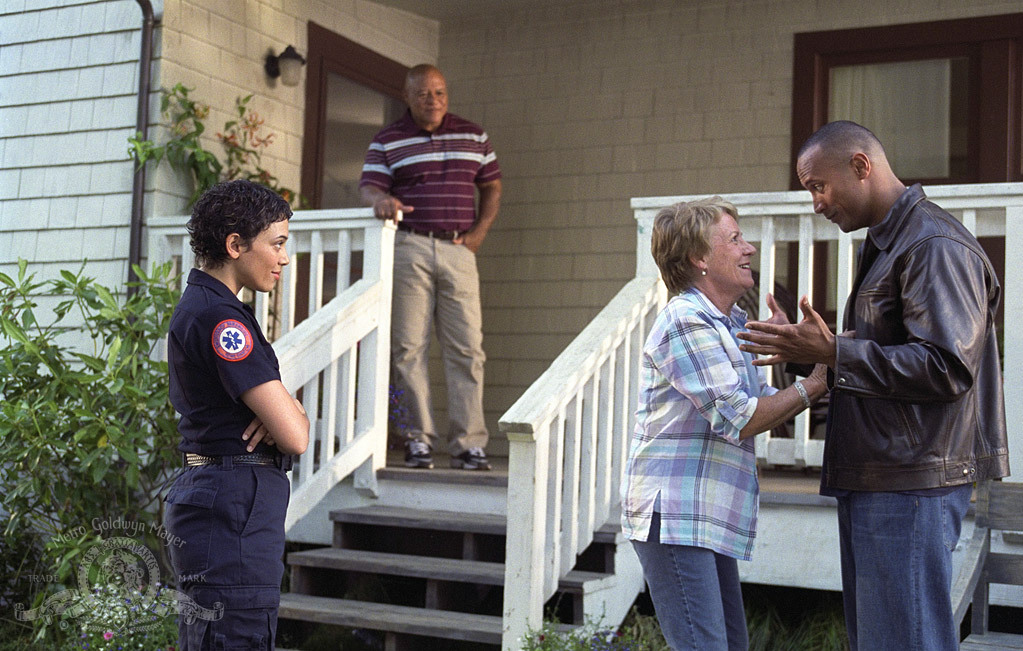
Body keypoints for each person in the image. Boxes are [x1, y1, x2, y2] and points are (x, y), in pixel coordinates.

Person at [737, 120, 1010, 651]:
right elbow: (889, 356)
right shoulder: (891, 241)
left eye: (818, 185)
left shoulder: (933, 244)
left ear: (861, 166)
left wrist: (835, 351)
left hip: (910, 480)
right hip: (882, 475)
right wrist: (810, 354)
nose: (815, 202)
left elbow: (946, 367)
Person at [621, 197, 828, 650]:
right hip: (676, 516)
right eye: (734, 239)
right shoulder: (686, 322)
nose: (749, 248)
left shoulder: (726, 323)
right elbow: (741, 418)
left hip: (705, 515)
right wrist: (815, 381)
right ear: (699, 258)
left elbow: (762, 402)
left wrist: (792, 354)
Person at [163, 179, 310, 650]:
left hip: (225, 505)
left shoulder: (211, 307)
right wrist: (291, 413)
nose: (284, 258)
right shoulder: (221, 319)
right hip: (232, 513)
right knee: (235, 637)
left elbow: (285, 420)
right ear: (235, 245)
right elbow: (296, 437)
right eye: (278, 243)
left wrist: (286, 411)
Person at [359, 63, 502, 470]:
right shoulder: (388, 139)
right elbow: (370, 185)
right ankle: (416, 440)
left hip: (459, 249)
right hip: (410, 247)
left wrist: (479, 233)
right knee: (407, 348)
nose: (433, 100)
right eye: (423, 93)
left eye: (439, 92)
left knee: (467, 349)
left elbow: (491, 185)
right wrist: (379, 201)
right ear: (408, 96)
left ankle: (469, 443)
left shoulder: (473, 134)